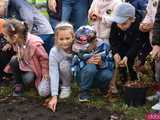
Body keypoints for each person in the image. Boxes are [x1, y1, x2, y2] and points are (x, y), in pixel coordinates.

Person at [3, 19, 49, 97]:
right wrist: (19, 54)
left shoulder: (34, 44)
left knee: (28, 79)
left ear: (14, 37)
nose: (4, 38)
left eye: (6, 36)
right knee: (14, 60)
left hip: (34, 68)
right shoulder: (18, 40)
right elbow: (19, 50)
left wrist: (45, 72)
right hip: (25, 65)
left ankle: (27, 82)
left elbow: (44, 59)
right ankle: (18, 84)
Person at [109, 3, 152, 82]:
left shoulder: (139, 24)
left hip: (139, 47)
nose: (120, 26)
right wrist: (115, 52)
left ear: (132, 19)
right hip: (123, 44)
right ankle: (123, 80)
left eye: (124, 23)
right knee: (120, 58)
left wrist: (127, 56)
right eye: (118, 23)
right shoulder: (116, 23)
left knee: (133, 63)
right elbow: (113, 39)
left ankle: (135, 79)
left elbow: (137, 43)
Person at [72, 25, 114, 102]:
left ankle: (102, 88)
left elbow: (111, 65)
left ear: (95, 41)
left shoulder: (104, 47)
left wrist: (102, 63)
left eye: (85, 46)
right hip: (82, 77)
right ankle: (84, 92)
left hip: (99, 75)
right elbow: (74, 68)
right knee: (90, 67)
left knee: (108, 74)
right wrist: (85, 62)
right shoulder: (77, 49)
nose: (83, 48)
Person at [46, 22, 74, 112]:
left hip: (73, 72)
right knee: (43, 92)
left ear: (73, 37)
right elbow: (53, 72)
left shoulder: (77, 48)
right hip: (60, 74)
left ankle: (66, 86)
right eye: (61, 39)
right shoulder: (54, 51)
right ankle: (57, 87)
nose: (65, 41)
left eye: (67, 38)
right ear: (56, 39)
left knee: (64, 64)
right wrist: (54, 96)